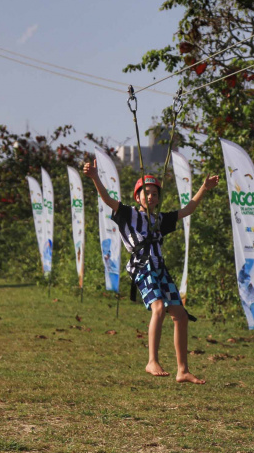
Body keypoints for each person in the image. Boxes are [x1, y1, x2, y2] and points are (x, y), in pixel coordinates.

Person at [84, 160, 218, 384]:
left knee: (181, 316)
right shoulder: (128, 214)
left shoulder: (161, 219)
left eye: (155, 194)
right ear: (137, 197)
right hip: (142, 268)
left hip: (160, 270)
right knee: (158, 308)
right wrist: (95, 177)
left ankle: (182, 370)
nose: (150, 197)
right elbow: (107, 200)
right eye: (146, 193)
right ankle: (151, 360)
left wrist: (204, 188)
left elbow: (188, 209)